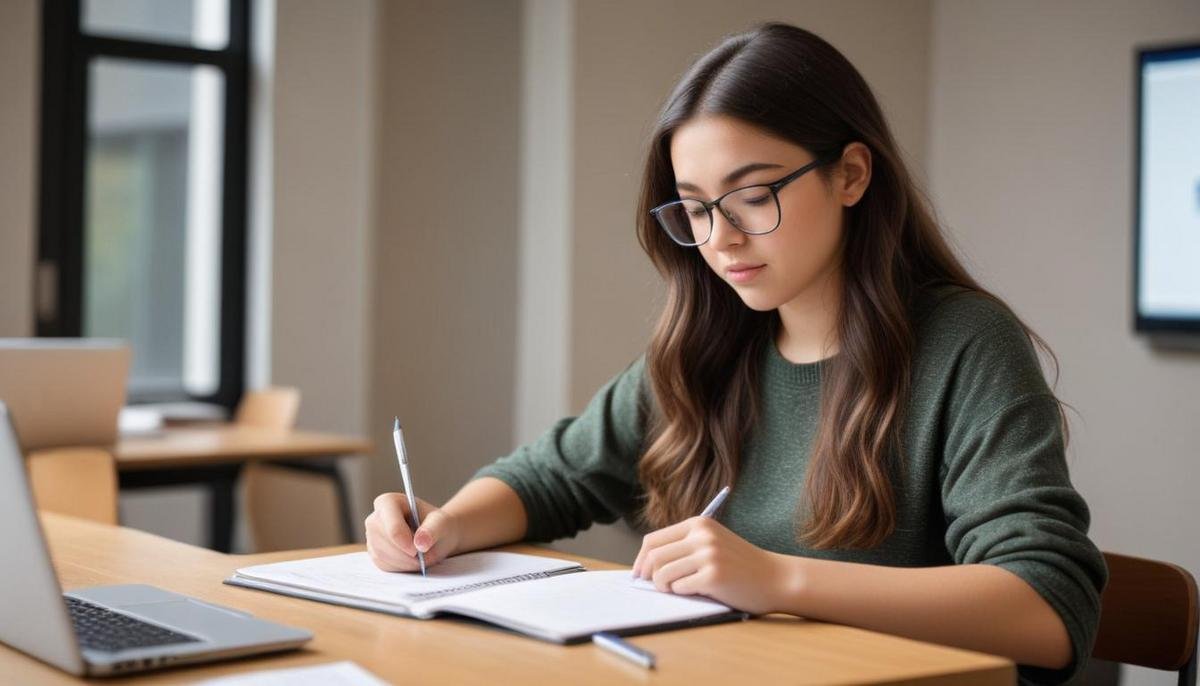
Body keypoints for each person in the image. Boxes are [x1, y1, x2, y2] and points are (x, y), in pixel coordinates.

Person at [364, 22, 1106, 685]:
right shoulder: (709, 347)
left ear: (850, 173)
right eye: (694, 207)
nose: (718, 238)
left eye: (752, 196)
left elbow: (1046, 606)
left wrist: (777, 580)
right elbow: (550, 477)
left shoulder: (963, 344)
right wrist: (444, 528)